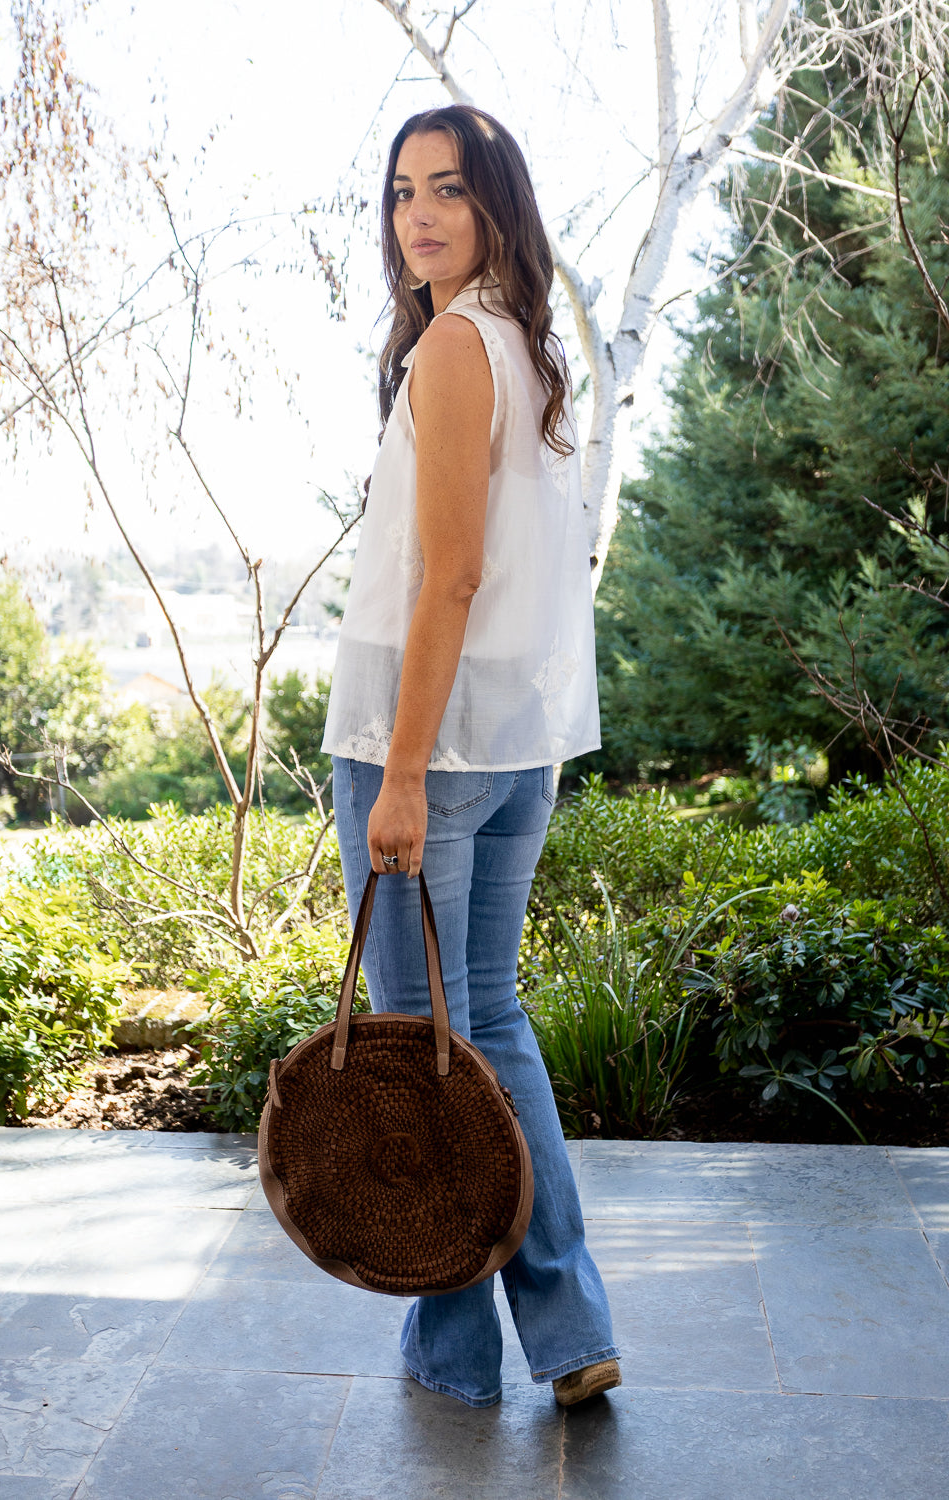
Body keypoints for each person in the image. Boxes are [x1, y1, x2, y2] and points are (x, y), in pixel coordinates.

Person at [321, 103, 620, 1410]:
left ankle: (456, 1353)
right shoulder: (529, 349)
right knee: (484, 1022)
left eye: (448, 188)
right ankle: (565, 1330)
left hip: (427, 750)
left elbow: (450, 577)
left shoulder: (454, 348)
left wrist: (398, 773)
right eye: (401, 192)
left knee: (420, 1050)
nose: (419, 215)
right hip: (512, 746)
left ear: (498, 202)